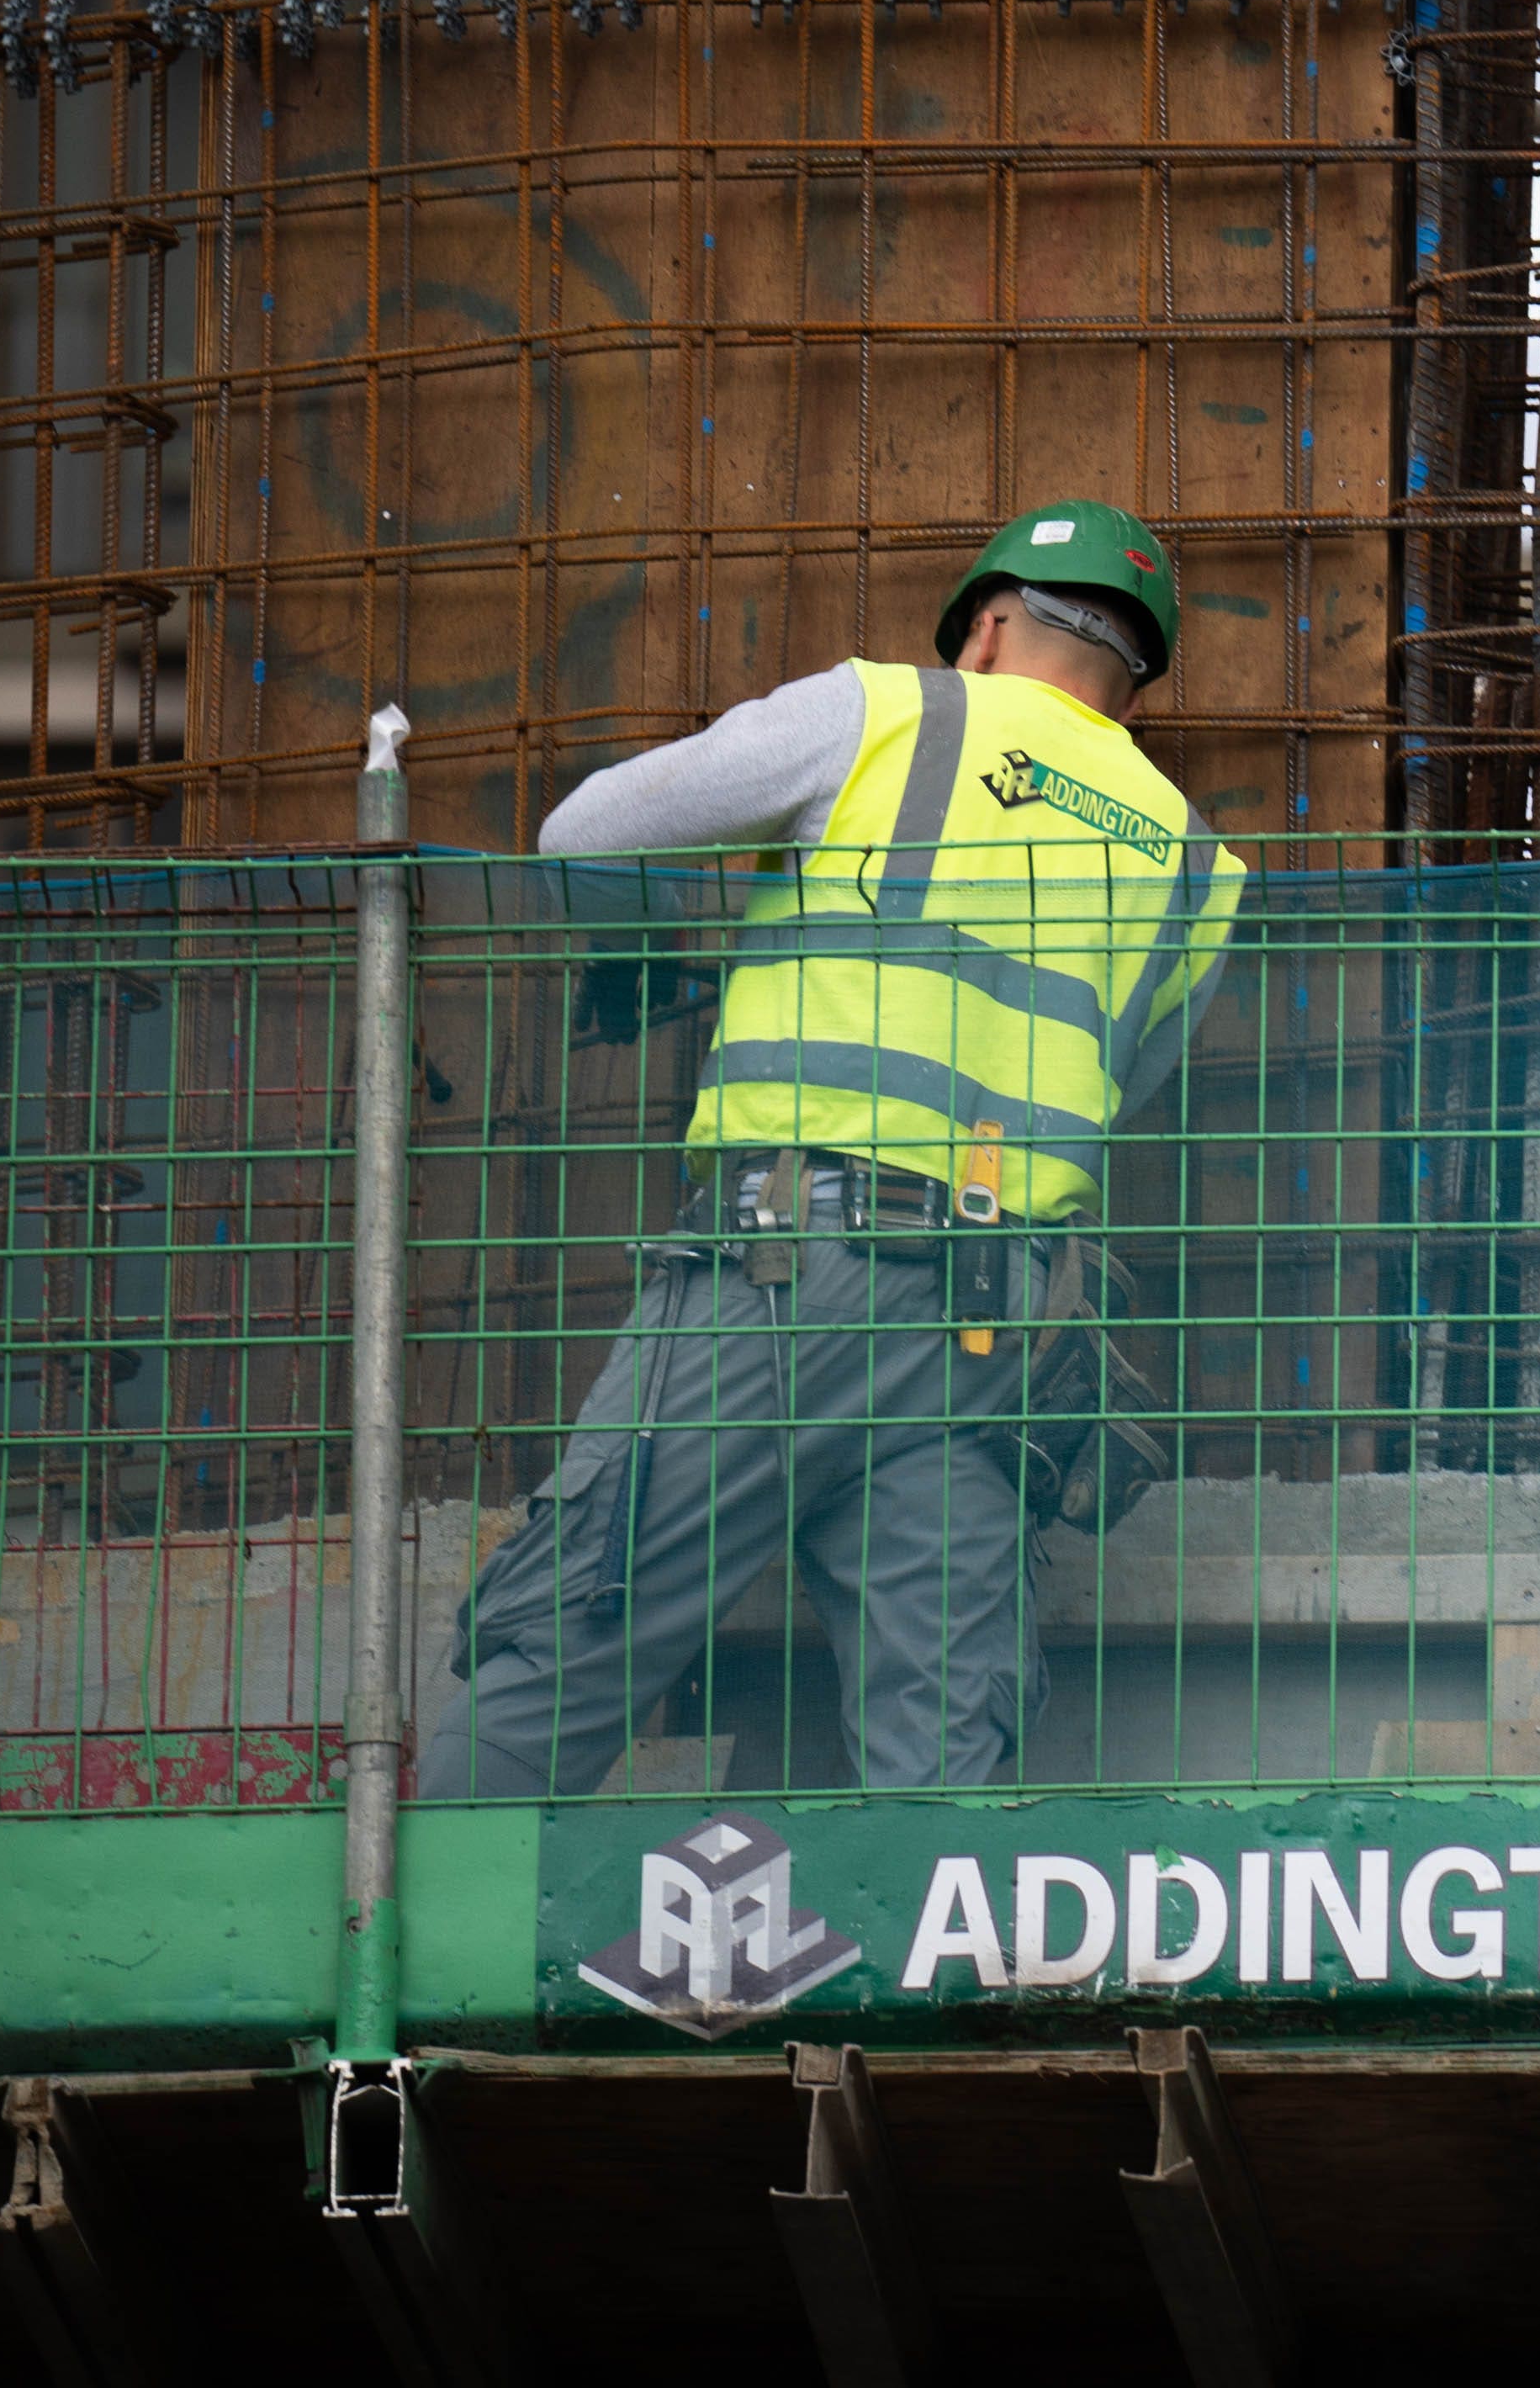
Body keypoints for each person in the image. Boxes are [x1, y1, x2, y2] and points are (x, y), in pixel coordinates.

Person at [423, 501, 1237, 1795]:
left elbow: (582, 837)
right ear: (1129, 682)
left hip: (787, 1283)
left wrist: (659, 951)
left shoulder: (886, 714)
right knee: (944, 1740)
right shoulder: (1194, 862)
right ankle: (938, 1983)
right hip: (994, 1333)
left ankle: (413, 1970)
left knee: (573, 1628)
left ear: (984, 627)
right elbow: (1110, 1085)